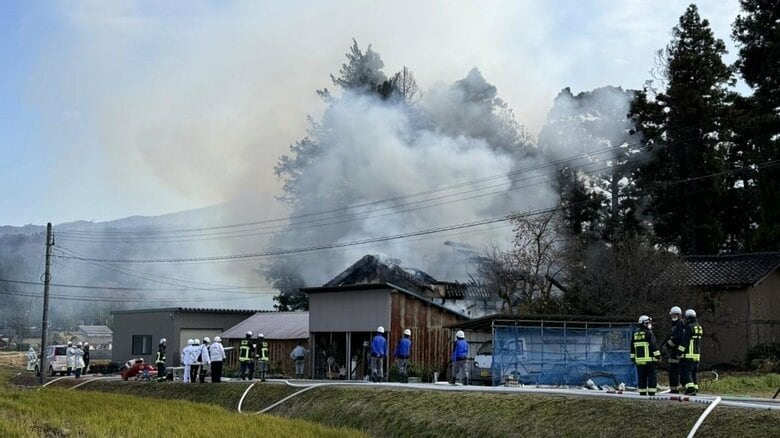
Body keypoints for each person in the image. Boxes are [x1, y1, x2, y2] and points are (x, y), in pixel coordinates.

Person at [631, 315, 661, 396]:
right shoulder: (649, 333)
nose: (649, 325)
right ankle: (651, 392)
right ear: (643, 323)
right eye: (647, 323)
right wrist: (658, 356)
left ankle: (642, 391)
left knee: (641, 377)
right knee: (652, 376)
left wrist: (633, 359)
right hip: (650, 361)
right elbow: (654, 346)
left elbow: (632, 348)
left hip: (639, 362)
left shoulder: (635, 334)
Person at [678, 309, 703, 396]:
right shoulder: (699, 327)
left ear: (688, 318)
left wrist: (679, 352)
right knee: (694, 373)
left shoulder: (689, 327)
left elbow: (685, 341)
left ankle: (691, 389)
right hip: (697, 355)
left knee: (686, 373)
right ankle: (695, 388)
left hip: (689, 355)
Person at [664, 306, 685, 393]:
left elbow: (677, 338)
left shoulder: (679, 324)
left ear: (679, 315)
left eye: (675, 315)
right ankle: (674, 389)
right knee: (673, 372)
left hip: (677, 351)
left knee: (675, 371)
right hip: (675, 351)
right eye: (672, 315)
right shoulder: (675, 324)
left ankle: (677, 390)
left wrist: (667, 345)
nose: (673, 316)